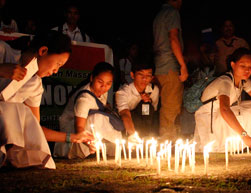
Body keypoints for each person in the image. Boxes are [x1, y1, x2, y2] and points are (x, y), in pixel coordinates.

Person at [0, 30, 93, 169]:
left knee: (21, 111)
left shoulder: (35, 85)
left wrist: (73, 137)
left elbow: (35, 128)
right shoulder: (4, 51)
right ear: (43, 51)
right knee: (12, 108)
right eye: (58, 64)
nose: (56, 71)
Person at [194, 47, 251, 152]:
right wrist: (244, 135)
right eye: (243, 66)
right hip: (209, 116)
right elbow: (225, 109)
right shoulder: (225, 82)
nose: (247, 70)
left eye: (250, 67)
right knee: (245, 112)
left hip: (221, 112)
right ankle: (246, 139)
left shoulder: (244, 81)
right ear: (233, 64)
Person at [55, 62, 121, 159]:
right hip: (72, 133)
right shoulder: (84, 99)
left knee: (111, 122)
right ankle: (89, 151)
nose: (104, 87)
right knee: (97, 118)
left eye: (108, 83)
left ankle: (104, 149)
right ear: (92, 78)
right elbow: (79, 128)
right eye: (100, 82)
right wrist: (89, 143)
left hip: (91, 129)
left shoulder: (101, 91)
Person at [153, 0, 188, 141]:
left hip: (160, 64)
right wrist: (182, 65)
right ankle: (167, 140)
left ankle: (168, 139)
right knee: (171, 106)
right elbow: (173, 37)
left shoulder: (159, 15)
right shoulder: (172, 12)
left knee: (167, 104)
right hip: (170, 65)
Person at [116, 57, 159, 139]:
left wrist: (148, 102)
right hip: (125, 126)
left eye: (148, 75)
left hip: (145, 126)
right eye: (141, 74)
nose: (144, 79)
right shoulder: (123, 92)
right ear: (132, 75)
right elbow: (125, 114)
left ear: (152, 78)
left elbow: (154, 113)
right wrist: (133, 135)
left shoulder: (154, 90)